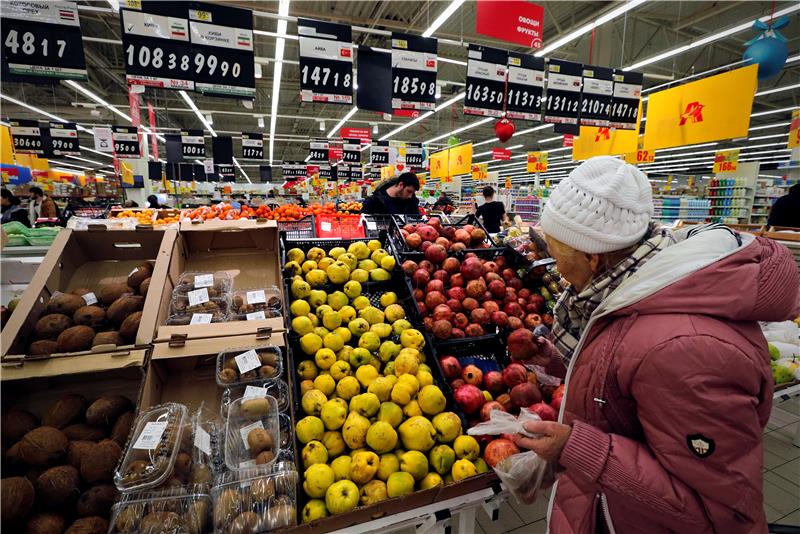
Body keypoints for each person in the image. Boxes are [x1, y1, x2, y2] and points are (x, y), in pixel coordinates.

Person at [513, 156, 798, 533]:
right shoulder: (625, 298)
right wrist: (561, 364)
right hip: (610, 511)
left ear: (592, 256)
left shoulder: (687, 347)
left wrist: (578, 448)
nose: (551, 264)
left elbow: (715, 512)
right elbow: (630, 390)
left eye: (555, 249)